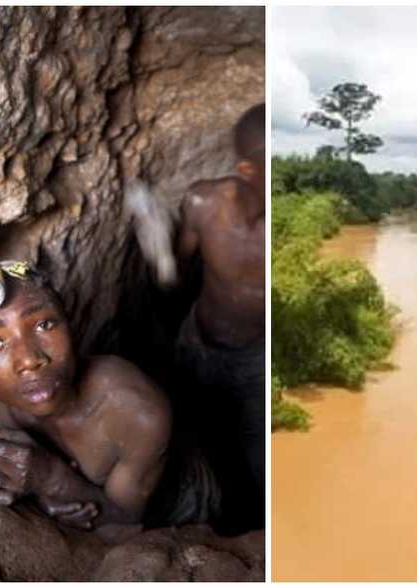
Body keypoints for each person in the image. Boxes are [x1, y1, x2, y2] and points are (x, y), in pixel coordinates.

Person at [0, 265, 220, 533]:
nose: (30, 360)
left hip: (176, 500)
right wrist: (40, 483)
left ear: (71, 326)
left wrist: (50, 479)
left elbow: (126, 525)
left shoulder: (137, 411)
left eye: (43, 324)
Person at [175, 103, 265, 524]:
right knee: (192, 438)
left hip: (258, 360)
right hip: (199, 341)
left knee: (254, 455)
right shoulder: (203, 203)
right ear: (248, 170)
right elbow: (175, 276)